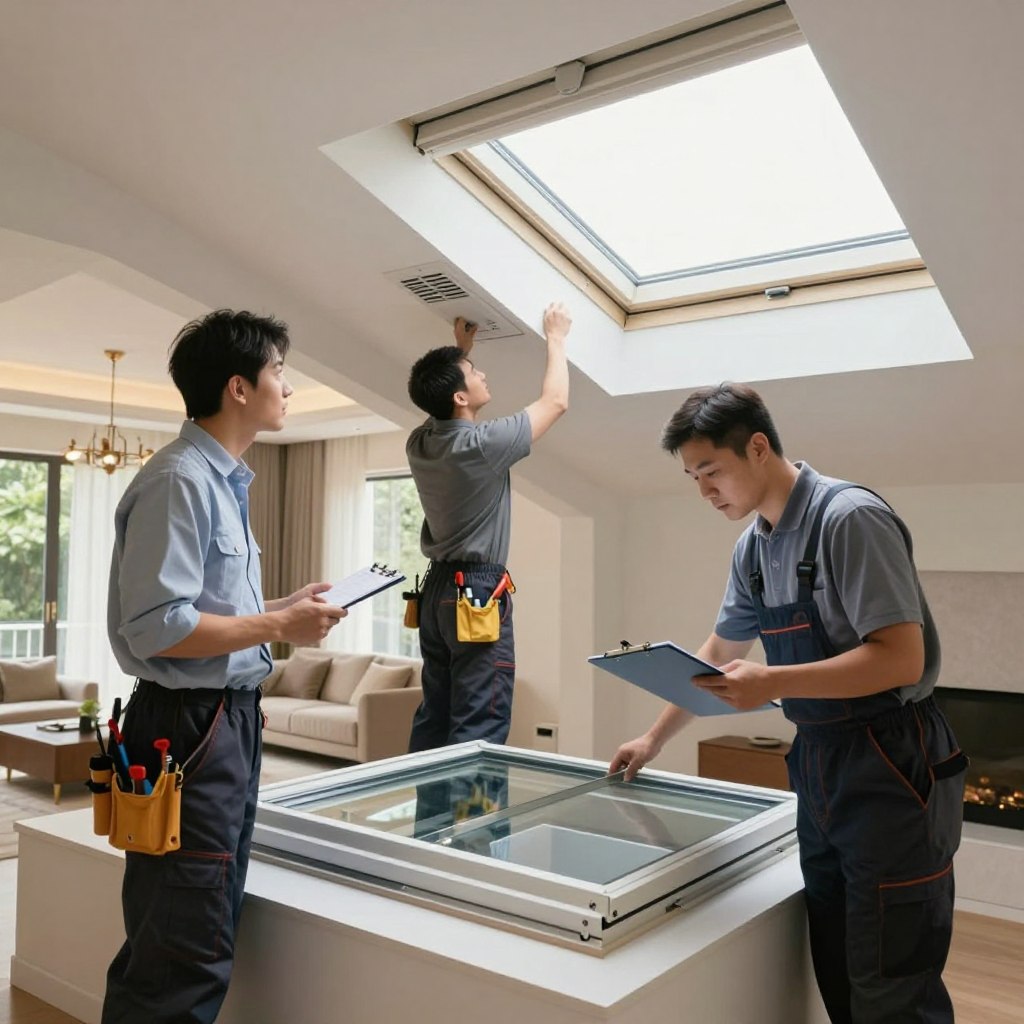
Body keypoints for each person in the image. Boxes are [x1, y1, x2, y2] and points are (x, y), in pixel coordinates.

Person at [609, 383, 966, 1024]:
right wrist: (653, 739)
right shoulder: (754, 545)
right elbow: (720, 649)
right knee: (837, 965)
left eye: (711, 471)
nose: (705, 491)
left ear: (758, 447)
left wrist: (772, 683)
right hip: (819, 763)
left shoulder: (849, 518)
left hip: (891, 762)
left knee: (893, 983)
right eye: (693, 477)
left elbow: (900, 659)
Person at [103, 309, 346, 1024]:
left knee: (200, 919)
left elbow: (200, 608)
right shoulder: (181, 480)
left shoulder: (221, 482)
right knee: (185, 940)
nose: (288, 387)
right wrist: (280, 624)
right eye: (278, 372)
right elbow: (157, 628)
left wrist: (282, 605)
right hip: (191, 727)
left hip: (224, 723)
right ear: (239, 388)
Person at [406, 302, 571, 752]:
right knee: (480, 720)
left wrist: (459, 351)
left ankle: (430, 821)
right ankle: (474, 824)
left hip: (437, 590)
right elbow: (556, 401)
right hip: (476, 592)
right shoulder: (483, 445)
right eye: (473, 371)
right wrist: (556, 337)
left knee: (436, 714)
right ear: (459, 396)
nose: (481, 375)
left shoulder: (420, 443)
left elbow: (437, 405)